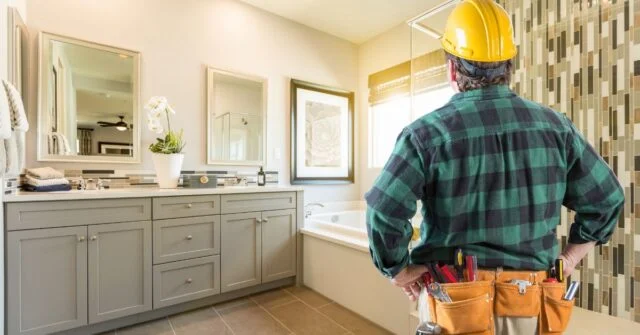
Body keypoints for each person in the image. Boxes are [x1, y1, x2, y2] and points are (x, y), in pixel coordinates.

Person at [365, 0, 624, 333]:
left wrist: (398, 270)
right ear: (509, 67)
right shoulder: (556, 128)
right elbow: (607, 199)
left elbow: (383, 211)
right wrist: (570, 258)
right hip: (531, 304)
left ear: (452, 69)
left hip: (454, 302)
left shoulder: (424, 134)